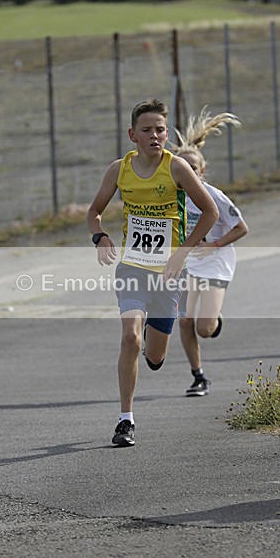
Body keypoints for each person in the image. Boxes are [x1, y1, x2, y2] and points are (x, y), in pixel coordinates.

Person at [86, 98, 219, 447]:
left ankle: (151, 341)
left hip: (169, 274)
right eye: (147, 130)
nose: (155, 135)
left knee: (155, 356)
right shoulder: (119, 170)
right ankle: (125, 420)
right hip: (133, 267)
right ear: (133, 134)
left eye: (160, 129)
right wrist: (99, 236)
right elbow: (94, 212)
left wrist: (183, 253)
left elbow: (210, 213)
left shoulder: (177, 169)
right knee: (130, 337)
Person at [174, 108, 248, 396]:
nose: (190, 173)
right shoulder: (172, 198)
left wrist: (213, 244)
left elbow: (242, 228)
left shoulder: (214, 196)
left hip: (216, 262)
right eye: (184, 168)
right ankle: (198, 375)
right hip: (188, 264)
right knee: (184, 320)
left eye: (195, 169)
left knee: (204, 328)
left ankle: (213, 318)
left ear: (202, 171)